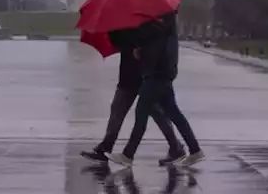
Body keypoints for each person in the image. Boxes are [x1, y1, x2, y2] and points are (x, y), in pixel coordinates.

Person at [110, 12, 204, 169]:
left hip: (157, 74)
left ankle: (128, 154)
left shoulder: (160, 24)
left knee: (142, 111)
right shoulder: (165, 24)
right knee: (173, 113)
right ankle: (195, 150)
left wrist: (141, 51)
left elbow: (155, 49)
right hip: (163, 73)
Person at [79, 30, 184, 167]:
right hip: (129, 75)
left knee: (156, 112)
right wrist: (116, 33)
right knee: (118, 110)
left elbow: (156, 46)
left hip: (147, 75)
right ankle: (106, 147)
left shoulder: (149, 24)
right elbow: (118, 43)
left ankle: (175, 146)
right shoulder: (124, 24)